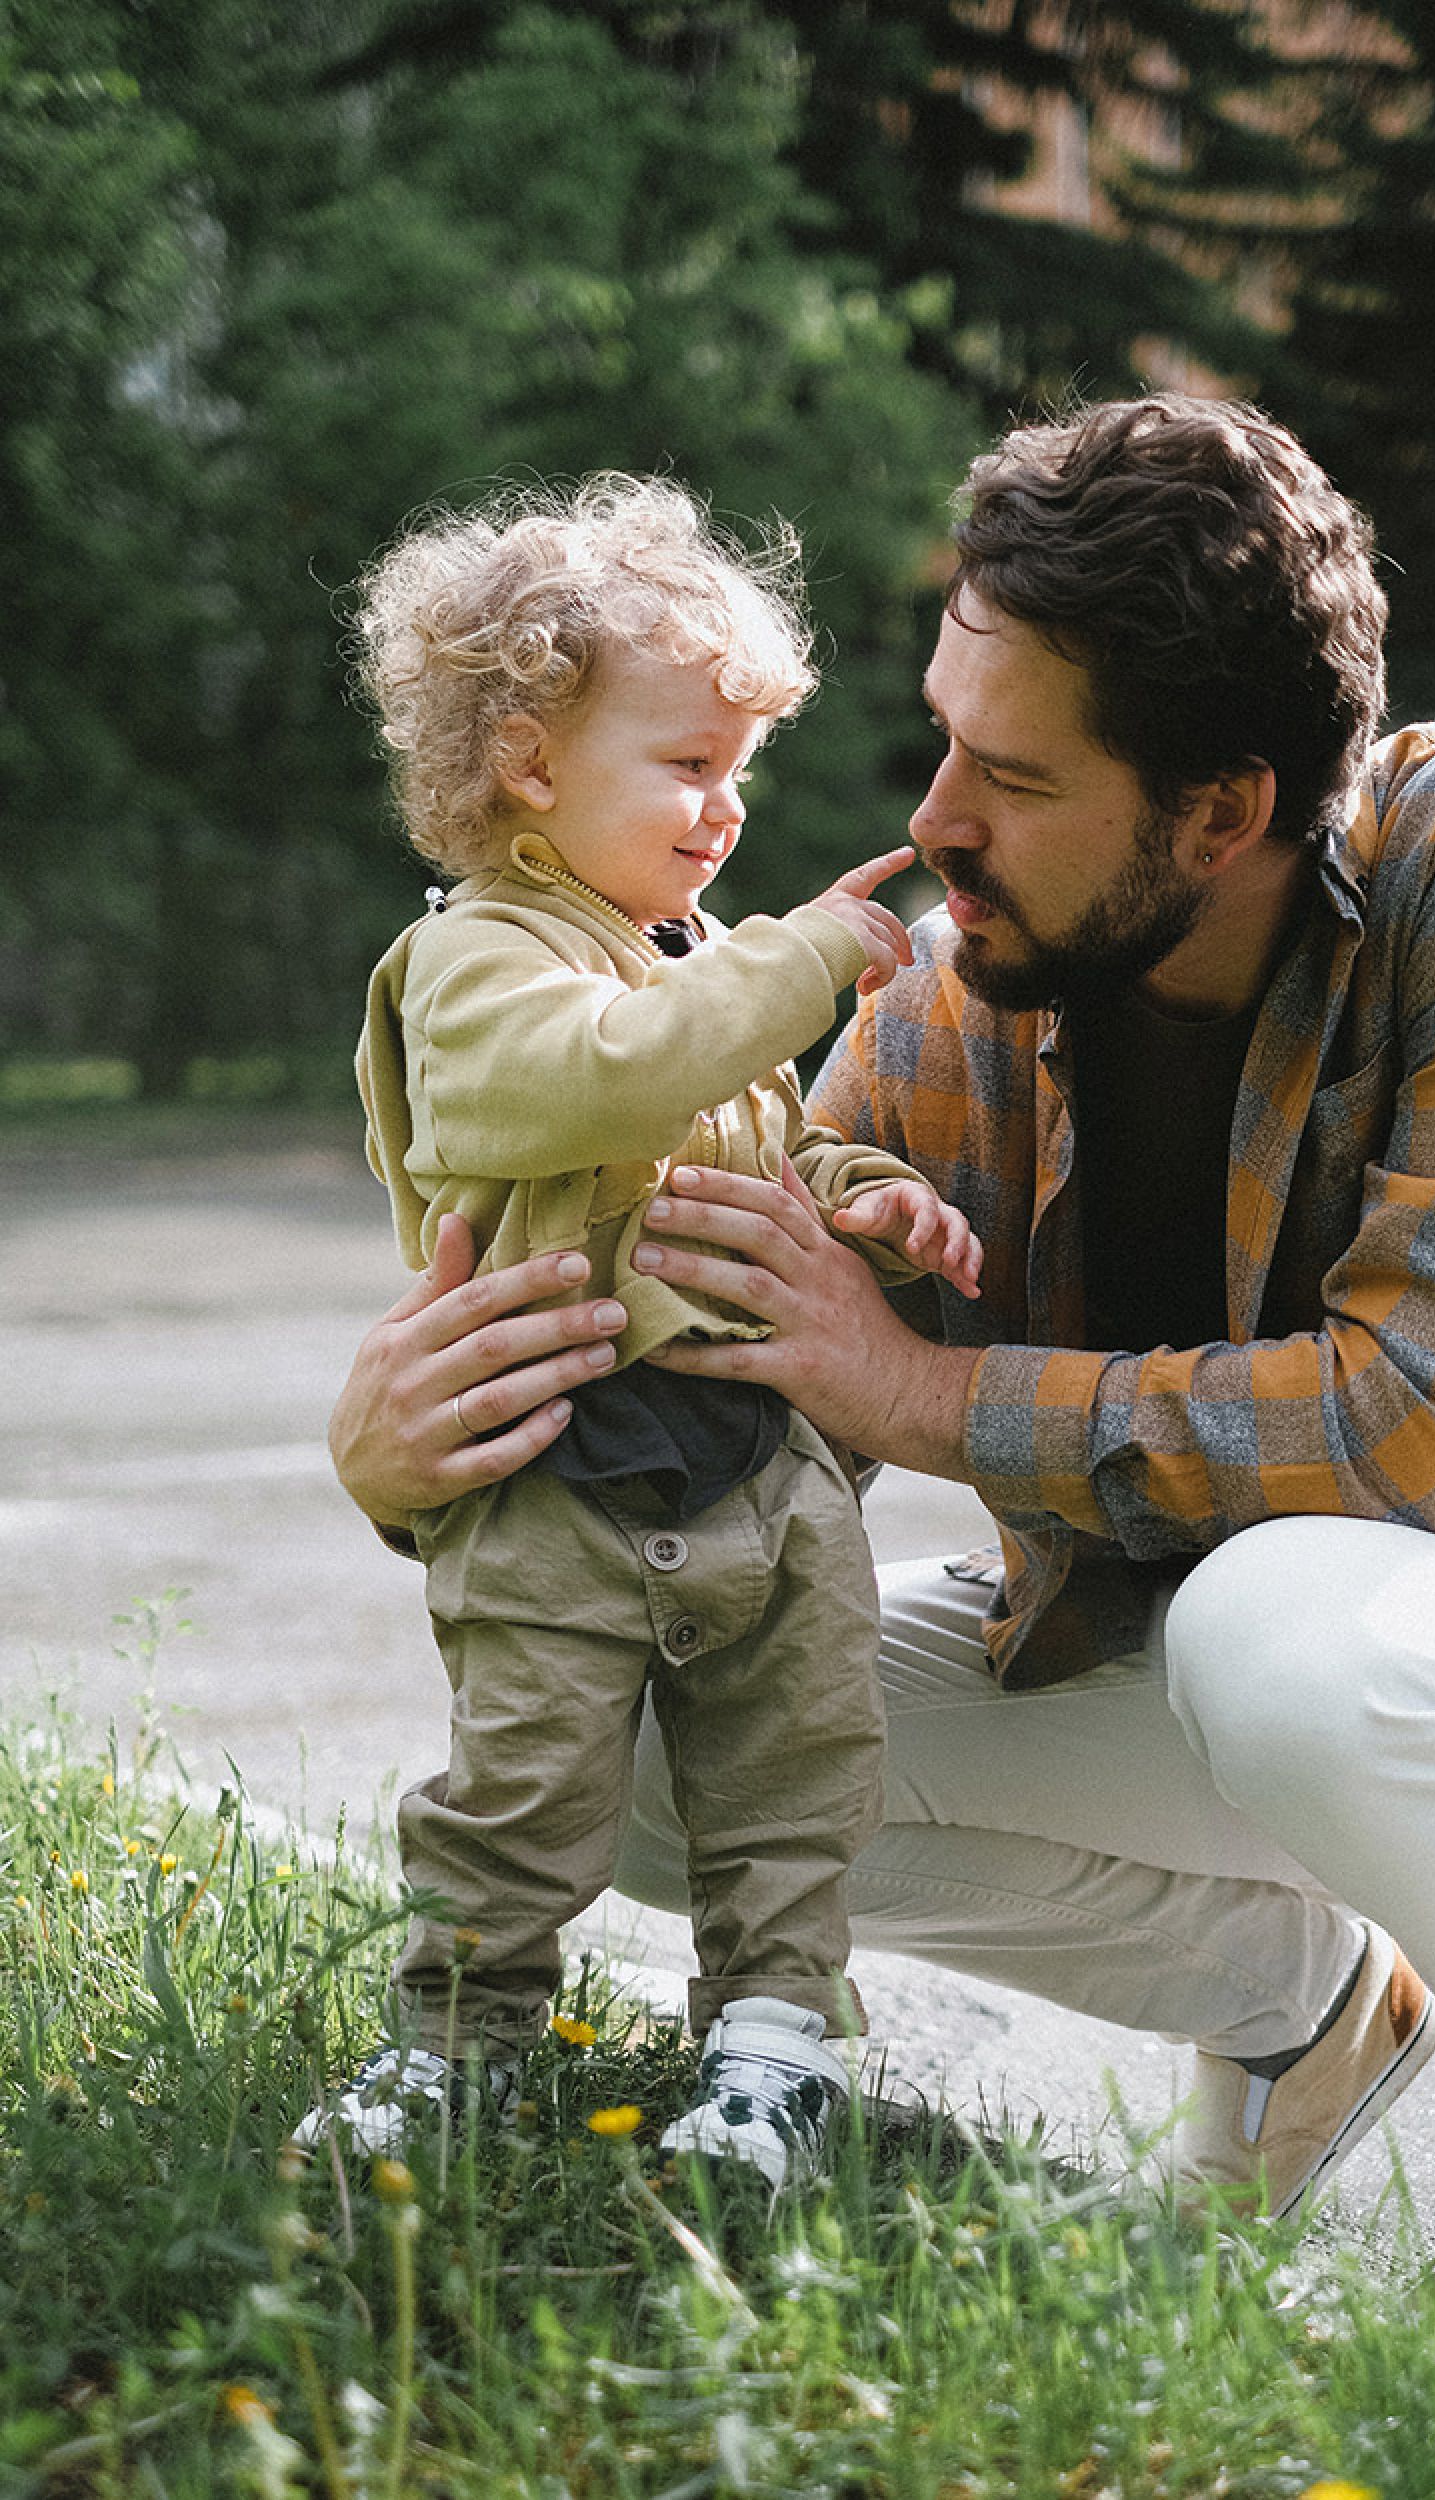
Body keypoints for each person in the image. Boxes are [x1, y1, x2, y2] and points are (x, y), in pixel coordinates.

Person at [328, 399, 1435, 2362]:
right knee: (655, 1750)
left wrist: (916, 1394)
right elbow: (746, 1395)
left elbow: (1417, 1426)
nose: (938, 811)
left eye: (1013, 769)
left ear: (1217, 809)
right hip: (1171, 1650)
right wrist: (401, 1455)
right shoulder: (951, 988)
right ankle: (1303, 1998)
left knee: (1287, 1631)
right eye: (945, 732)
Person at [295, 475, 982, 2190]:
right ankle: (459, 2042)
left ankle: (770, 2051)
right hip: (559, 1483)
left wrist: (864, 1187)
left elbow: (741, 1124)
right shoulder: (481, 963)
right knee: (522, 1793)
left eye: (738, 769)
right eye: (690, 765)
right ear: (530, 765)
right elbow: (597, 1082)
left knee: (796, 1780)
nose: (727, 809)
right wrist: (811, 954)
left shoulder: (670, 965)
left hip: (752, 1473)